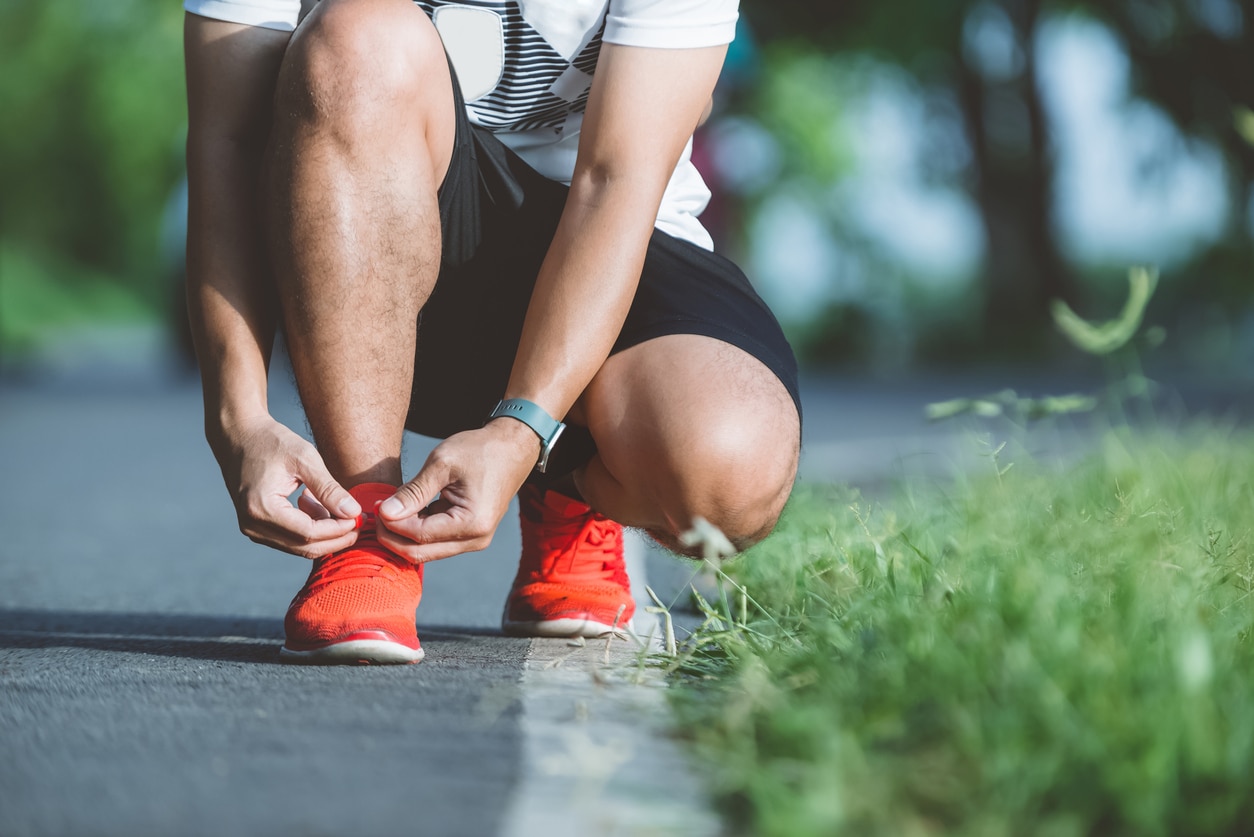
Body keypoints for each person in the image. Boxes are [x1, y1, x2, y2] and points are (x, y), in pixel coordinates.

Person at [183, 0, 802, 664]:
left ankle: (565, 485)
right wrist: (236, 419)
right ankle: (366, 527)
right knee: (357, 37)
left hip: (608, 238)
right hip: (387, 247)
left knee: (724, 472)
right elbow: (229, 140)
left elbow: (613, 181)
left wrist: (524, 429)